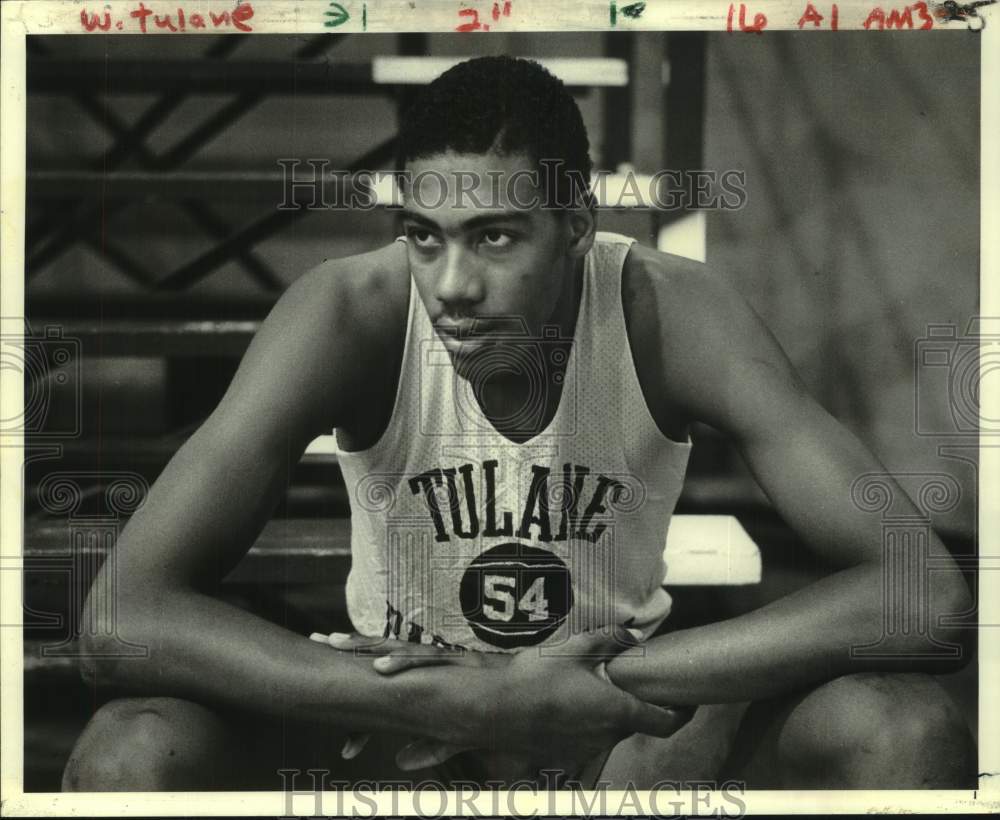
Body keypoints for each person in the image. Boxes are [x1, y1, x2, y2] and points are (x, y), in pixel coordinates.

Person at [62, 55, 975, 792]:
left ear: (575, 223)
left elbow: (927, 597)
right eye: (425, 234)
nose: (452, 284)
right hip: (390, 736)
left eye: (495, 237)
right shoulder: (347, 313)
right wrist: (445, 702)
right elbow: (119, 620)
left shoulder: (673, 312)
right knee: (131, 750)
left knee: (902, 727)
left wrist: (610, 683)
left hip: (620, 741)